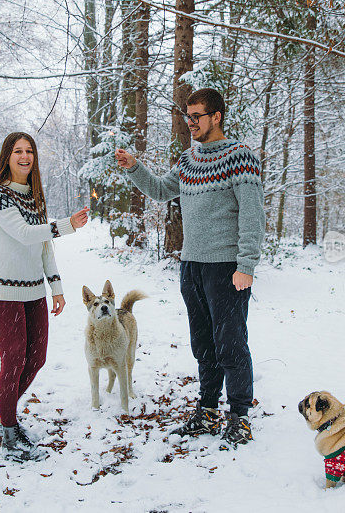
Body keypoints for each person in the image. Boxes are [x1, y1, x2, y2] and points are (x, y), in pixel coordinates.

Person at [115, 88, 265, 449]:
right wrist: (135, 167)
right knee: (202, 343)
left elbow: (253, 214)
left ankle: (240, 416)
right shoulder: (188, 159)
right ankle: (209, 410)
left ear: (216, 116)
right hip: (191, 266)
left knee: (230, 343)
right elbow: (162, 190)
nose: (191, 123)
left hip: (227, 267)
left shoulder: (240, 157)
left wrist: (246, 264)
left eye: (197, 116)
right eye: (188, 116)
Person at [0, 132, 89, 462]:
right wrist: (66, 225)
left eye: (29, 151)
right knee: (13, 360)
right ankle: (9, 433)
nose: (25, 156)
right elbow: (25, 234)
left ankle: (4, 414)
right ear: (7, 156)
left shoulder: (36, 198)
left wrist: (56, 288)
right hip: (4, 294)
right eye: (18, 151)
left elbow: (43, 248)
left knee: (36, 359)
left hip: (33, 294)